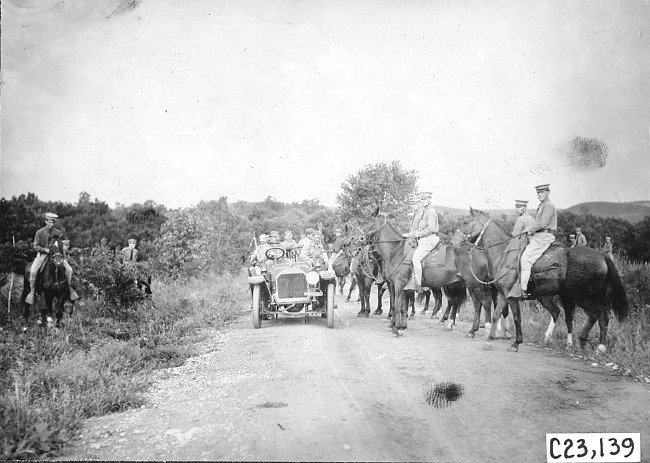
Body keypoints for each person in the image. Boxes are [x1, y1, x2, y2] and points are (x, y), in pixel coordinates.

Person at [26, 212, 77, 304]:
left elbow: (61, 244)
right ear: (46, 221)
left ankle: (69, 289)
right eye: (50, 222)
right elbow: (35, 246)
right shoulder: (40, 232)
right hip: (43, 255)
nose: (52, 224)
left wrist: (62, 250)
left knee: (69, 270)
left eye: (53, 222)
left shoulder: (57, 232)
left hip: (56, 255)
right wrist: (45, 250)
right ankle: (32, 292)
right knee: (33, 271)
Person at [519, 184, 557, 297]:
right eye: (538, 193)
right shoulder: (542, 205)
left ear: (548, 192)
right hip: (539, 236)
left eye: (542, 192)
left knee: (525, 259)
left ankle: (523, 289)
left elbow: (543, 223)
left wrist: (529, 229)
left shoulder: (548, 205)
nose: (540, 195)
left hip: (543, 237)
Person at [402, 191, 439, 291]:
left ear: (430, 199)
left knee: (416, 258)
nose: (423, 201)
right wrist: (410, 235)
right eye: (421, 199)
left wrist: (417, 234)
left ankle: (418, 284)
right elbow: (420, 228)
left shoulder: (430, 212)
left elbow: (431, 229)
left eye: (425, 199)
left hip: (429, 239)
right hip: (423, 239)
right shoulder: (425, 212)